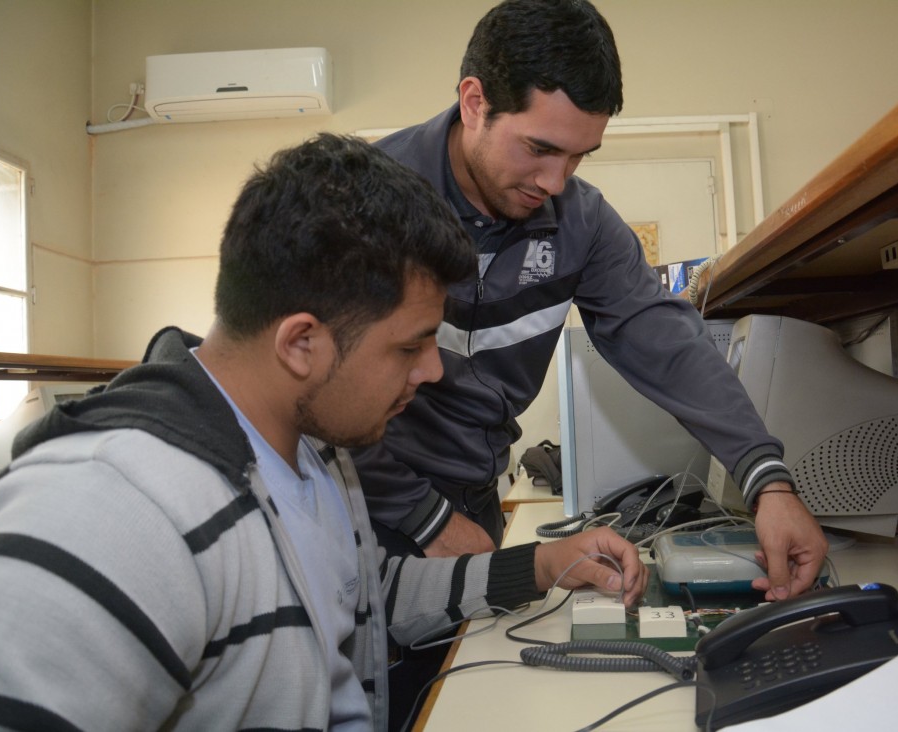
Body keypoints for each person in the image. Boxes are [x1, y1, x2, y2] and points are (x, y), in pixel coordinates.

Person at [0, 133, 647, 732]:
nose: (433, 370)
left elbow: (362, 596)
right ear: (301, 343)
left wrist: (539, 566)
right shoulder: (103, 516)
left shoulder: (315, 456)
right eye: (411, 346)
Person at [354, 0, 828, 601]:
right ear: (475, 103)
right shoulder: (364, 198)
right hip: (368, 498)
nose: (555, 182)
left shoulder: (582, 221)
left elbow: (667, 344)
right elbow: (312, 389)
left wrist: (768, 481)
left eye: (578, 156)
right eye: (540, 148)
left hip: (476, 496)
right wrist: (424, 517)